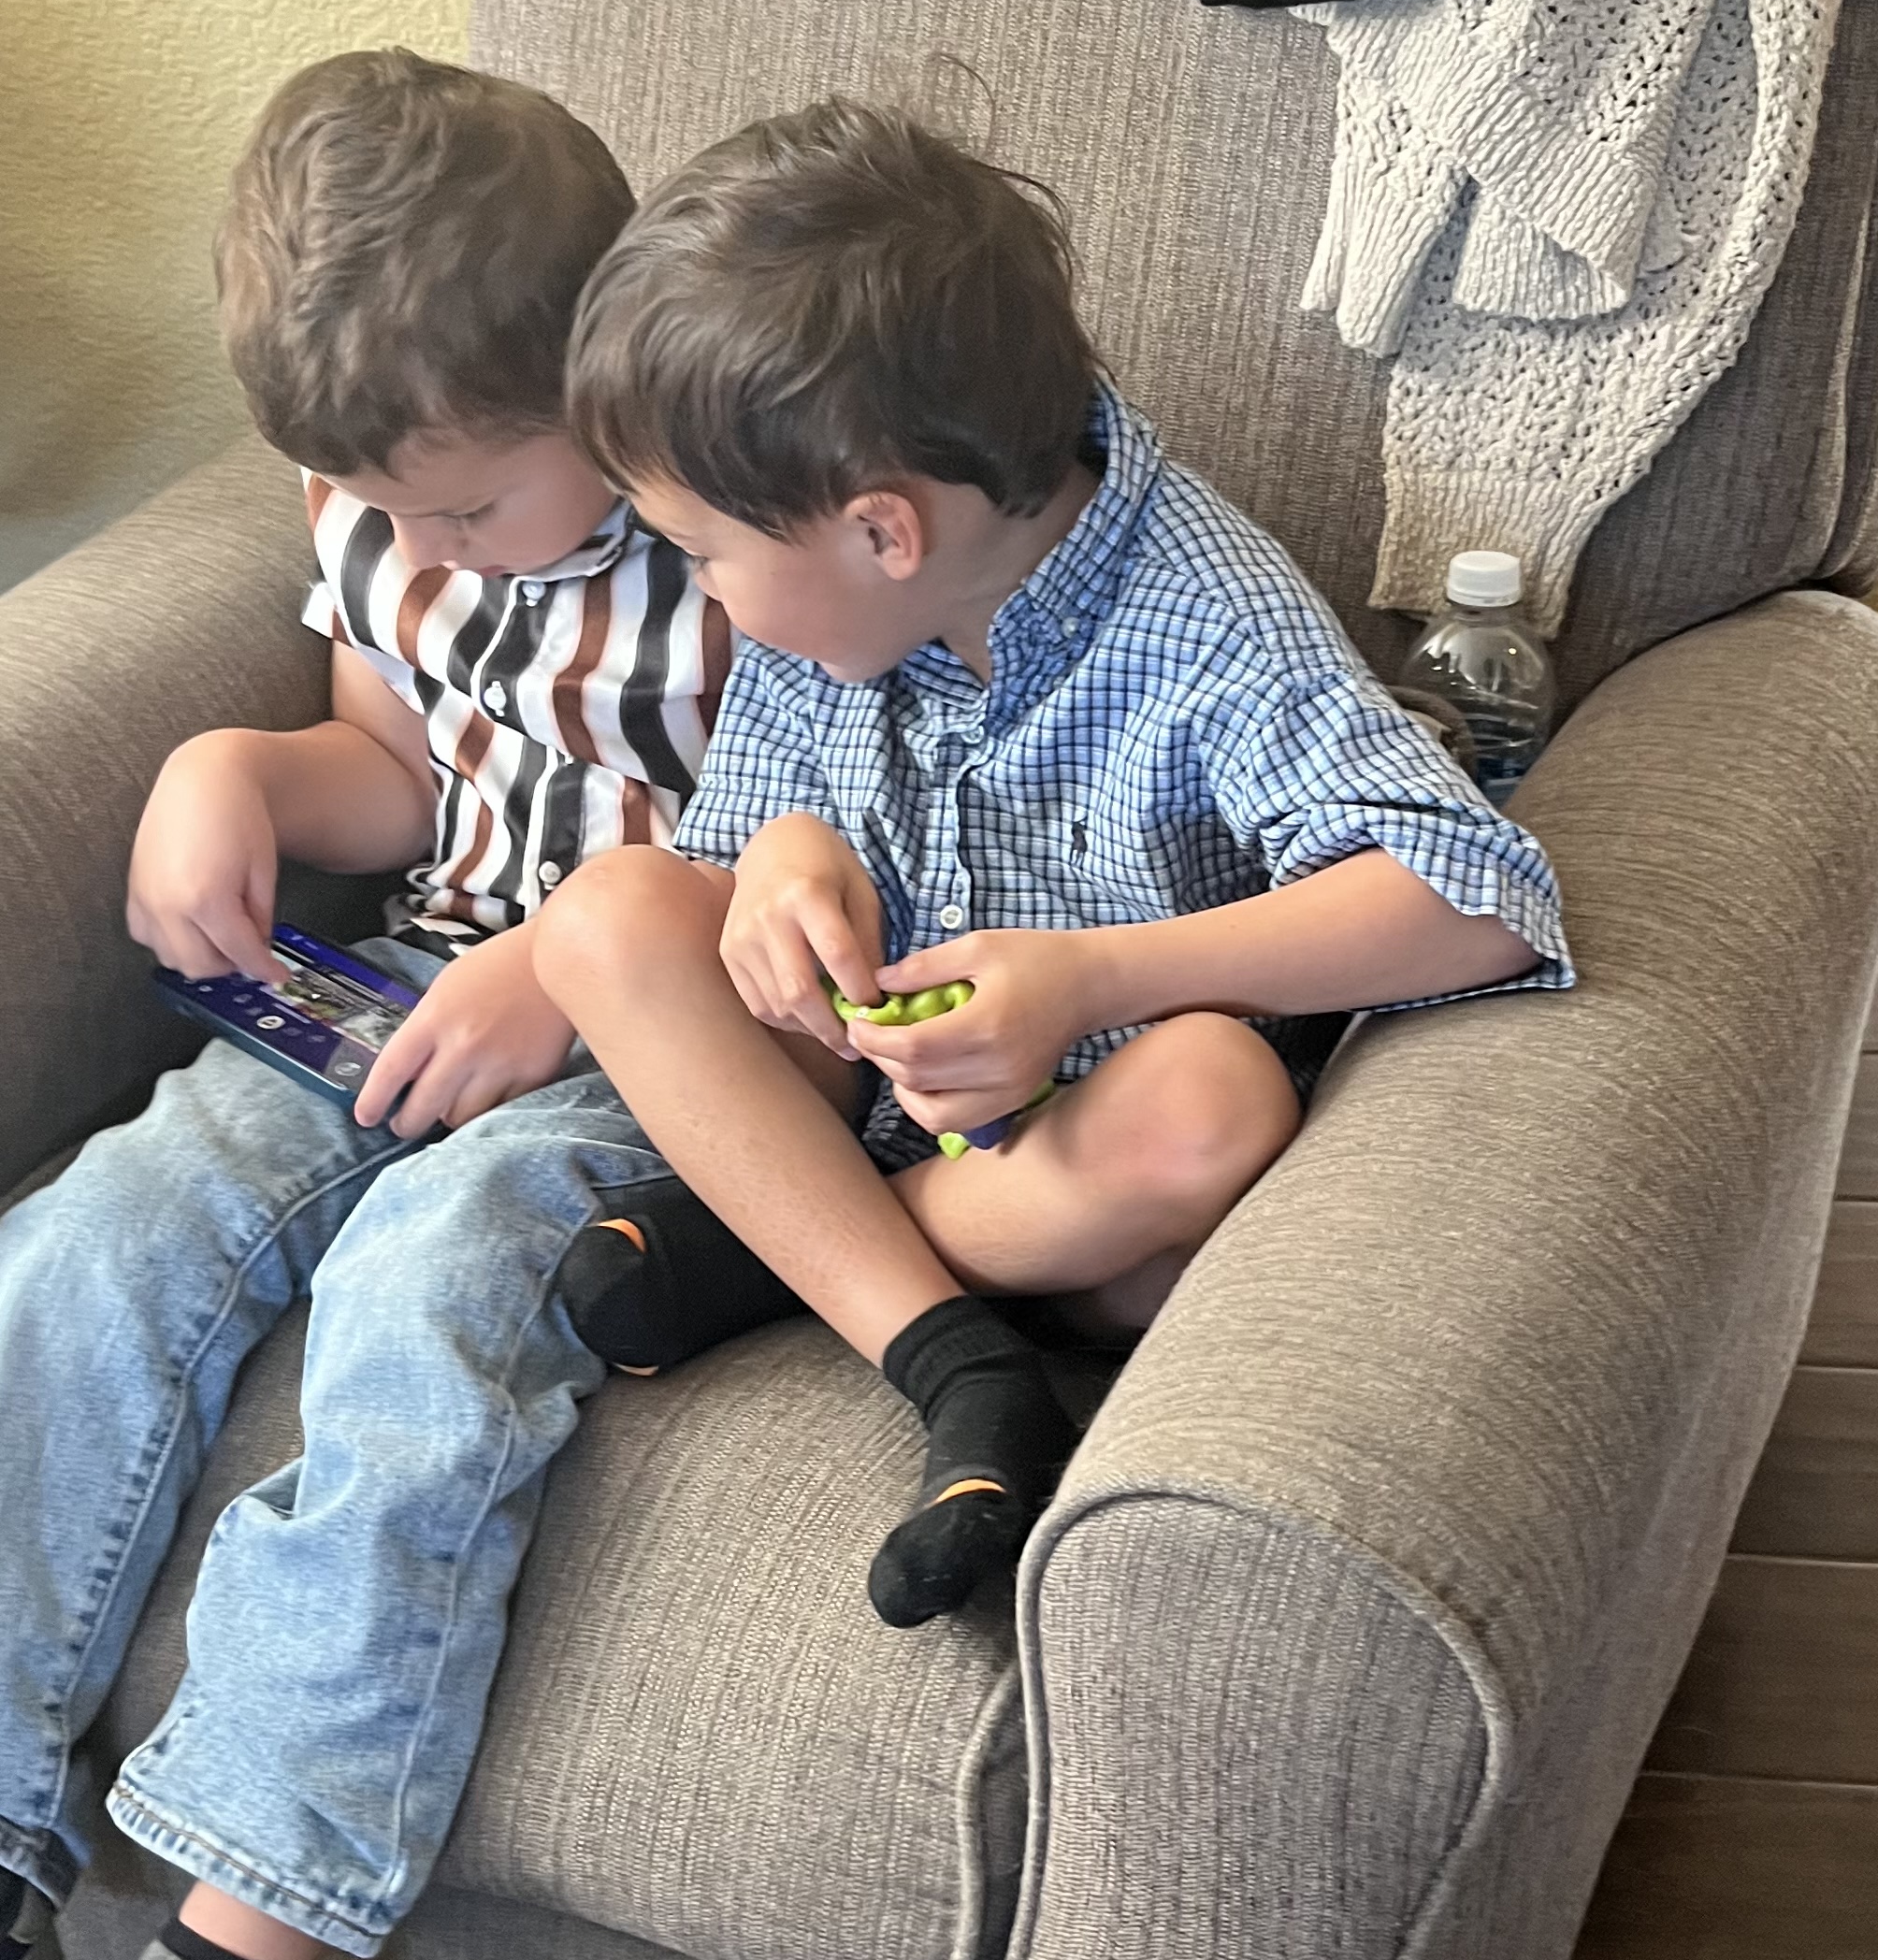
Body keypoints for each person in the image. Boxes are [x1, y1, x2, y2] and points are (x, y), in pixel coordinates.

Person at [0, 49, 727, 1960]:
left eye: (472, 501)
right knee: (91, 1242)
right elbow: (399, 768)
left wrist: (582, 967)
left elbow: (845, 853)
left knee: (427, 1295)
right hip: (400, 984)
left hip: (670, 1050)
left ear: (601, 386)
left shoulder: (728, 513)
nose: (432, 546)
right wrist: (239, 775)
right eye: (378, 506)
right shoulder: (390, 517)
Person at [530, 95, 1574, 1635]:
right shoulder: (839, 602)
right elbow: (740, 839)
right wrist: (782, 862)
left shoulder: (1210, 621)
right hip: (876, 1095)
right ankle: (955, 1354)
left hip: (1073, 1167)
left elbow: (1481, 899)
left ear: (883, 532)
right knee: (605, 916)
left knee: (1213, 1101)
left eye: (705, 555)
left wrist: (1094, 979)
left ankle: (785, 1252)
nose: (707, 595)